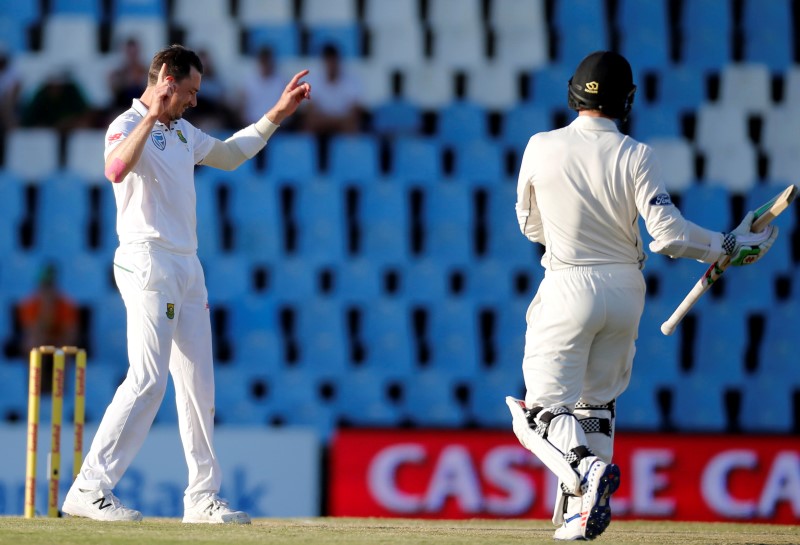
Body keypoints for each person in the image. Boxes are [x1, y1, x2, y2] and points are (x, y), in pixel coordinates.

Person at [505, 51, 777, 541]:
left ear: (572, 92)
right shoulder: (636, 154)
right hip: (626, 291)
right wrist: (727, 246)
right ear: (626, 100)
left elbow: (529, 226)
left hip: (567, 284)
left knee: (539, 417)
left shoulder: (540, 146)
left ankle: (586, 473)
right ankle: (581, 513)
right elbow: (669, 236)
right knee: (595, 406)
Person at [61, 44, 310, 523]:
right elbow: (114, 169)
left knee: (199, 387)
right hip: (146, 258)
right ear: (166, 83)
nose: (196, 101)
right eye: (190, 92)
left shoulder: (182, 132)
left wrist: (276, 114)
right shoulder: (127, 125)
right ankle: (89, 487)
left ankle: (200, 498)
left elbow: (231, 155)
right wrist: (151, 118)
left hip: (188, 265)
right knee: (148, 379)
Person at [17, 263, 80, 393]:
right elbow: (33, 332)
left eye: (49, 285)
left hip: (59, 342)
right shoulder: (30, 305)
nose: (46, 289)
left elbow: (70, 336)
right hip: (40, 340)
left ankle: (60, 389)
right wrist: (46, 309)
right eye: (44, 285)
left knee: (64, 350)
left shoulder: (66, 305)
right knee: (32, 344)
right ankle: (34, 386)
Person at [301, 43, 362, 135]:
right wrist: (335, 121)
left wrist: (329, 121)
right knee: (309, 124)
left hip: (339, 125)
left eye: (333, 61)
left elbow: (354, 114)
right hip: (324, 125)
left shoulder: (351, 81)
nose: (331, 65)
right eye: (329, 61)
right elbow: (310, 113)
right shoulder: (313, 80)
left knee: (352, 125)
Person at [108, 37, 149, 111]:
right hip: (122, 109)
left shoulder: (146, 71)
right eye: (130, 53)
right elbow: (113, 89)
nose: (132, 56)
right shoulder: (118, 73)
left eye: (134, 53)